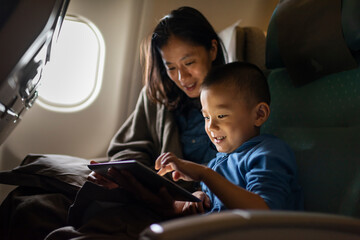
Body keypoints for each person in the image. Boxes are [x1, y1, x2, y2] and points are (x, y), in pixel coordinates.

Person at [88, 6, 226, 194]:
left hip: (200, 198)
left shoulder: (237, 97)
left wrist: (201, 190)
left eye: (189, 63)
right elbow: (130, 148)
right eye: (171, 68)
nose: (182, 78)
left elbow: (237, 166)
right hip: (154, 192)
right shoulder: (157, 95)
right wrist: (122, 175)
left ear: (212, 50)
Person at [155, 61, 303, 212]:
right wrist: (200, 197)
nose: (211, 126)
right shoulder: (217, 162)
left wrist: (204, 174)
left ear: (259, 114)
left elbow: (263, 212)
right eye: (206, 117)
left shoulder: (268, 153)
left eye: (221, 115)